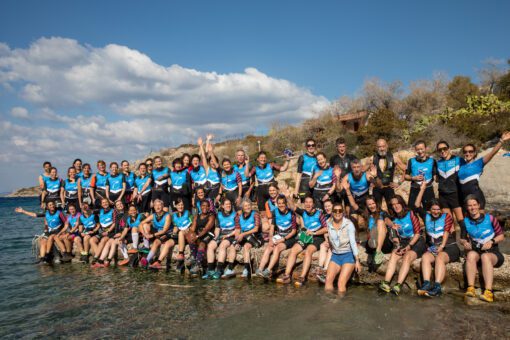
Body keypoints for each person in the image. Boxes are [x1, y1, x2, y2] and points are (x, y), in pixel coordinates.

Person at [414, 182, 460, 297]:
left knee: (439, 257)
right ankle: (426, 284)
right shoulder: (426, 216)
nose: (436, 211)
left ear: (441, 210)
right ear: (430, 210)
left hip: (449, 247)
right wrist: (422, 189)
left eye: (438, 209)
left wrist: (442, 247)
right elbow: (416, 205)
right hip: (434, 248)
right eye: (433, 209)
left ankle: (437, 286)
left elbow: (445, 232)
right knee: (425, 257)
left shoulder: (447, 217)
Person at [461, 195, 505, 303]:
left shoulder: (490, 218)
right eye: (470, 205)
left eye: (474, 205)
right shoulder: (465, 222)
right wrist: (465, 243)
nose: (472, 208)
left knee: (485, 257)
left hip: (493, 253)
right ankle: (471, 288)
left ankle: (488, 292)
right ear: (467, 207)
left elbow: (501, 236)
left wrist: (492, 241)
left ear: (479, 205)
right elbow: (462, 239)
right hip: (477, 252)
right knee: (470, 255)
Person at [379, 195, 426, 295]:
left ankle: (398, 285)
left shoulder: (411, 213)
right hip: (403, 242)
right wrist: (398, 246)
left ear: (402, 203)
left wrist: (409, 246)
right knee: (394, 255)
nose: (396, 206)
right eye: (393, 205)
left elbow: (418, 233)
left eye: (398, 203)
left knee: (407, 257)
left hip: (416, 241)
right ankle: (386, 283)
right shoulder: (394, 219)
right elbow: (395, 237)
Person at [276, 195, 327, 286]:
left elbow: (326, 228)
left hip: (317, 237)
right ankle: (286, 276)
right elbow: (292, 207)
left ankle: (302, 277)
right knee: (293, 250)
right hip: (305, 236)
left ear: (313, 204)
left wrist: (314, 233)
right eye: (306, 202)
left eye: (310, 202)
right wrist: (288, 197)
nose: (308, 204)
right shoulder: (303, 212)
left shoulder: (319, 214)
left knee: (308, 251)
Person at [458, 131, 510, 210]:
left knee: (481, 219)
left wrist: (501, 141)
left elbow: (492, 153)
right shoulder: (461, 164)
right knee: (467, 221)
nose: (468, 153)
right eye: (465, 152)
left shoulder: (479, 163)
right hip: (463, 198)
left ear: (475, 153)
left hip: (476, 196)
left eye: (470, 151)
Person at [344, 191, 392, 268]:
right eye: (369, 204)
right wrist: (347, 190)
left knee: (380, 222)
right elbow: (353, 205)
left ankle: (378, 252)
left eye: (373, 203)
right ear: (367, 205)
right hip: (372, 244)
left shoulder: (383, 213)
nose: (372, 206)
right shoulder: (366, 215)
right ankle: (377, 252)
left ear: (376, 203)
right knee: (373, 229)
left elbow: (387, 220)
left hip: (384, 245)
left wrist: (392, 225)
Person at [256, 195, 297, 279]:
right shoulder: (275, 212)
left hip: (290, 238)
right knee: (269, 247)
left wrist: (283, 239)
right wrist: (271, 238)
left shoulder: (291, 214)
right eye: (279, 203)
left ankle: (268, 270)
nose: (281, 205)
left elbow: (294, 231)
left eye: (283, 203)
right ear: (277, 204)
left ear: (286, 204)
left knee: (277, 248)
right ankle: (260, 269)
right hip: (279, 235)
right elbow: (272, 227)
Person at [324, 203, 361, 294]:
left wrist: (357, 260)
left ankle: (341, 305)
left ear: (343, 212)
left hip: (348, 256)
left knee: (341, 284)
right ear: (332, 212)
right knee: (328, 282)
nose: (338, 213)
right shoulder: (328, 224)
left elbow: (353, 242)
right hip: (335, 256)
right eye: (335, 211)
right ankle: (329, 305)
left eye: (340, 211)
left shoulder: (349, 224)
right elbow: (330, 238)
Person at [202, 198, 237, 280]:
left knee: (222, 245)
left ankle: (219, 269)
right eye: (226, 204)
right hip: (221, 235)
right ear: (222, 206)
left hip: (231, 235)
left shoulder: (235, 215)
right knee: (210, 245)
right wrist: (216, 237)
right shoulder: (219, 215)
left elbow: (237, 229)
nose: (228, 206)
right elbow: (217, 228)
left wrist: (228, 235)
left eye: (229, 204)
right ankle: (210, 270)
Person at [231, 199, 262, 278]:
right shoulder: (239, 217)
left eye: (249, 205)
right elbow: (237, 230)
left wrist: (243, 234)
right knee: (234, 244)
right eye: (246, 206)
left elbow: (256, 229)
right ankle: (230, 268)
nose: (248, 207)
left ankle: (246, 269)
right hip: (245, 237)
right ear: (242, 208)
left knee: (246, 246)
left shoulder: (255, 214)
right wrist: (237, 240)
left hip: (255, 237)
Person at [94, 200, 130, 267]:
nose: (120, 205)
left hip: (126, 234)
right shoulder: (117, 216)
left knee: (114, 241)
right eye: (118, 205)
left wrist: (120, 234)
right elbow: (117, 228)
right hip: (119, 233)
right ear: (116, 208)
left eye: (121, 203)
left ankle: (108, 260)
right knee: (109, 242)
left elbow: (127, 227)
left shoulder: (127, 214)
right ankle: (101, 261)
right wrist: (117, 234)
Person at [435, 141, 464, 225]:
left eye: (444, 148)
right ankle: (452, 238)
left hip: (456, 195)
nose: (442, 151)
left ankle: (466, 238)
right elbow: (436, 179)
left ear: (449, 149)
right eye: (440, 150)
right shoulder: (438, 163)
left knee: (461, 222)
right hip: (443, 195)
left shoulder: (459, 160)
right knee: (448, 223)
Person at [370, 139, 405, 208]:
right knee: (377, 208)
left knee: (392, 208)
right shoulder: (372, 159)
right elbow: (362, 170)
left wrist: (399, 183)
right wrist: (371, 181)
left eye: (383, 146)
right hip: (377, 188)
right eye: (379, 147)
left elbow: (406, 169)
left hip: (389, 187)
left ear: (387, 146)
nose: (382, 149)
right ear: (376, 147)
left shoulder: (394, 158)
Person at [141, 199, 174, 269]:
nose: (157, 207)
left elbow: (164, 230)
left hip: (166, 234)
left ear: (162, 206)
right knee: (145, 225)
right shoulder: (153, 215)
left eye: (159, 205)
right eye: (156, 205)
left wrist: (152, 235)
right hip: (157, 233)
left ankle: (147, 260)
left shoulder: (167, 216)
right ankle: (146, 246)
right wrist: (144, 234)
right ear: (154, 207)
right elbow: (141, 223)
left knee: (156, 242)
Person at [186, 199, 216, 276]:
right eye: (203, 205)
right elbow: (192, 228)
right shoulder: (197, 216)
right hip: (198, 234)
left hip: (208, 234)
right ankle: (193, 256)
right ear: (200, 207)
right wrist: (190, 234)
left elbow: (206, 229)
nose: (205, 207)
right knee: (189, 234)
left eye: (207, 206)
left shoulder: (211, 216)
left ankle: (198, 264)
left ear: (209, 207)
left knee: (202, 244)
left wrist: (197, 236)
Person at [405, 140, 437, 209]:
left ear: (426, 148)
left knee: (430, 210)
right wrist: (413, 178)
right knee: (412, 210)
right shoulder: (411, 161)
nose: (420, 151)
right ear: (415, 150)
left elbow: (435, 176)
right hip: (415, 188)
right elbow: (406, 176)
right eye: (418, 149)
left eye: (421, 149)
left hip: (428, 189)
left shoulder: (432, 161)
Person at [329, 137, 358, 204]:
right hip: (338, 185)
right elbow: (331, 173)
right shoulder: (333, 159)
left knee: (349, 206)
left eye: (343, 146)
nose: (342, 149)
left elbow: (357, 170)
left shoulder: (352, 157)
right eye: (340, 147)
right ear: (337, 147)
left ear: (346, 147)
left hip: (349, 185)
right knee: (338, 206)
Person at [90, 198, 116, 266]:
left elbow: (114, 223)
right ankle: (100, 257)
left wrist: (108, 231)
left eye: (106, 202)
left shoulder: (113, 211)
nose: (105, 204)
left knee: (103, 240)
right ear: (101, 204)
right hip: (102, 231)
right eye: (103, 203)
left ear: (109, 203)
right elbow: (90, 211)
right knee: (92, 240)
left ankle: (96, 258)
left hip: (111, 231)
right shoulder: (100, 211)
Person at [171, 198, 193, 272]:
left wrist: (189, 228)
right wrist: (174, 231)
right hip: (180, 235)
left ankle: (180, 254)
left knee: (181, 232)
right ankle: (180, 264)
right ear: (176, 206)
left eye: (182, 205)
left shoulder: (188, 213)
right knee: (179, 233)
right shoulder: (173, 216)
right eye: (179, 205)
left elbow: (193, 223)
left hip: (188, 232)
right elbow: (175, 226)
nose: (181, 206)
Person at [199, 136, 221, 201]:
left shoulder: (219, 170)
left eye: (214, 161)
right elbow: (204, 157)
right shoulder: (208, 169)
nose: (213, 163)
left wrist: (220, 194)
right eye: (211, 161)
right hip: (208, 194)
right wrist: (201, 145)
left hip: (217, 195)